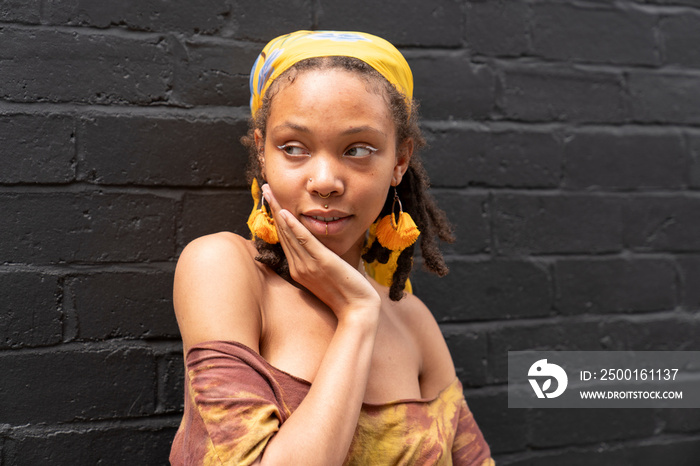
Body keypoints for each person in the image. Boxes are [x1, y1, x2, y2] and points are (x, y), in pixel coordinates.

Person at [169, 30, 494, 466]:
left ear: (398, 162)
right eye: (293, 148)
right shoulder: (225, 269)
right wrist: (357, 316)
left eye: (358, 149)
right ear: (263, 153)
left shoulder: (412, 320)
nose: (324, 180)